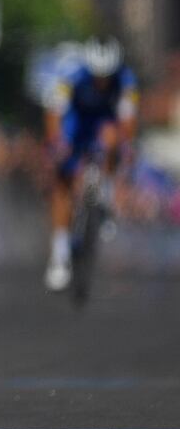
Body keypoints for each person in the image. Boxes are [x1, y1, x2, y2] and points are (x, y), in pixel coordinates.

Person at [44, 37, 138, 291]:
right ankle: (59, 252)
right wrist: (57, 143)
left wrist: (125, 146)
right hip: (76, 122)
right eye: (97, 75)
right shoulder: (72, 74)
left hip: (103, 123)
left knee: (111, 138)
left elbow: (127, 120)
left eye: (106, 76)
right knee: (62, 182)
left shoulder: (125, 78)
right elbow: (54, 112)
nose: (101, 81)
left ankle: (104, 194)